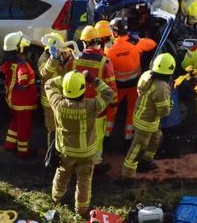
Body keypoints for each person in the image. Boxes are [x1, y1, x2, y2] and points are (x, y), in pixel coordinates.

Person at [46, 70, 114, 216]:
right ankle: (81, 209)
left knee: (62, 174)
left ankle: (56, 199)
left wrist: (65, 78)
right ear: (83, 90)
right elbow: (109, 93)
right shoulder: (91, 106)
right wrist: (92, 79)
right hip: (86, 152)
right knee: (84, 180)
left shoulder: (57, 103)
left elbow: (48, 84)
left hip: (65, 150)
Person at [71, 25, 118, 174]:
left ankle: (77, 162)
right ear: (98, 41)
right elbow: (111, 87)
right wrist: (114, 104)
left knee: (80, 135)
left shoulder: (76, 60)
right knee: (97, 137)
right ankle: (95, 164)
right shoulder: (105, 62)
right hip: (98, 108)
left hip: (79, 104)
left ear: (84, 43)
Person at [121, 53, 174, 178]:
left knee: (156, 137)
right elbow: (163, 112)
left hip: (141, 114)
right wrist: (169, 105)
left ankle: (146, 162)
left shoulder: (147, 75)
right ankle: (127, 175)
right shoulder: (162, 88)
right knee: (138, 148)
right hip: (147, 122)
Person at [105, 17, 156, 141]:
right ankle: (128, 137)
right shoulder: (136, 43)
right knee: (132, 110)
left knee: (112, 110)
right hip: (134, 85)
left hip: (117, 86)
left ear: (115, 32)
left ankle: (106, 136)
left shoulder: (108, 48)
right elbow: (152, 44)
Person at [0, 31, 37, 158]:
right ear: (16, 48)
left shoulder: (9, 61)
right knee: (24, 127)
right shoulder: (21, 64)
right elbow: (23, 78)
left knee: (14, 122)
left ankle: (9, 145)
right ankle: (23, 151)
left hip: (13, 101)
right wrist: (24, 84)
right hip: (23, 103)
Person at [38, 32, 73, 147]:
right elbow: (44, 74)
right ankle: (52, 153)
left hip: (62, 98)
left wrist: (68, 60)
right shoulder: (44, 59)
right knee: (52, 129)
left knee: (63, 127)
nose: (62, 51)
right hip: (49, 101)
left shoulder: (61, 57)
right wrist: (54, 59)